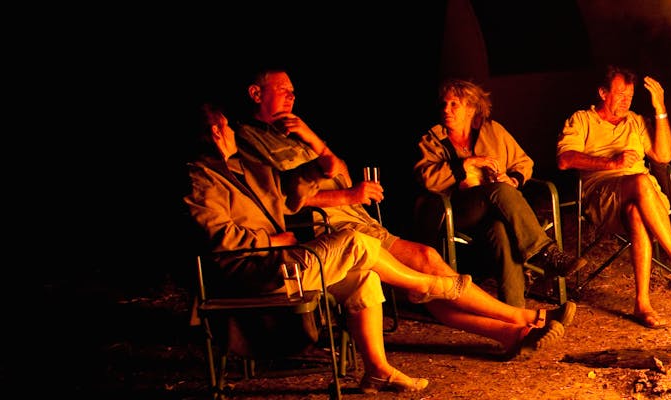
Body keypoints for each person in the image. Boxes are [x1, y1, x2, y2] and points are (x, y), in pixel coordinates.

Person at [186, 104, 566, 393]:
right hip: (260, 267)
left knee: (365, 275)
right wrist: (273, 239)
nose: (292, 97)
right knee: (366, 246)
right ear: (216, 133)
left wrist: (319, 160)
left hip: (287, 256)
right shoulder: (202, 180)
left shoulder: (242, 168)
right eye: (221, 127)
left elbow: (286, 192)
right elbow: (222, 239)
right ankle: (480, 304)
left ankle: (377, 370)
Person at [233, 69, 578, 347]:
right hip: (351, 229)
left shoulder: (292, 133)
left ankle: (513, 330)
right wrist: (464, 169)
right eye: (283, 89)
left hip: (363, 220)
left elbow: (338, 172)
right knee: (428, 270)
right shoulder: (249, 142)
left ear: (472, 108)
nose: (292, 95)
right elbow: (279, 202)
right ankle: (527, 309)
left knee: (445, 266)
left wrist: (314, 141)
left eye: (293, 89)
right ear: (256, 94)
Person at [556, 66, 671, 329]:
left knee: (637, 210)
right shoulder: (582, 120)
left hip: (645, 200)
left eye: (630, 95)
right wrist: (611, 163)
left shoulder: (636, 122)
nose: (626, 101)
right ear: (603, 93)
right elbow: (564, 159)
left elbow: (663, 156)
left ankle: (642, 304)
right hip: (603, 197)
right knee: (640, 180)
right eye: (620, 94)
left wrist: (659, 107)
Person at [414, 78, 579, 307]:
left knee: (501, 231)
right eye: (444, 104)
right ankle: (545, 252)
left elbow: (524, 162)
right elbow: (426, 178)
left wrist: (513, 179)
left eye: (454, 104)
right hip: (457, 211)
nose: (446, 109)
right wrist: (467, 164)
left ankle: (515, 316)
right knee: (498, 191)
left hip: (494, 212)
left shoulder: (493, 131)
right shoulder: (431, 140)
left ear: (471, 108)